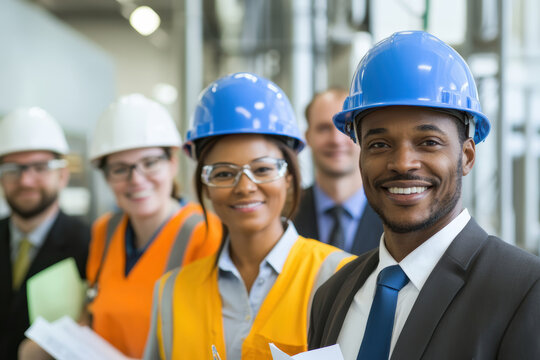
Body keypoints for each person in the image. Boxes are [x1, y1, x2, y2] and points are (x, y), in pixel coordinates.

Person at [308, 31, 540, 359]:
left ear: (467, 157)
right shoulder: (332, 295)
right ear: (360, 158)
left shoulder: (523, 290)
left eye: (428, 142)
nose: (403, 163)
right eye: (379, 144)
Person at [143, 73, 355, 360]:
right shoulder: (171, 292)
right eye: (224, 174)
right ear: (205, 186)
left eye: (263, 169)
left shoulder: (340, 276)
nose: (244, 187)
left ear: (289, 177)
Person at [83, 94, 222, 358]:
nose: (136, 180)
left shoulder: (205, 233)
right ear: (106, 177)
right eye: (120, 169)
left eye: (149, 163)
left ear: (172, 162)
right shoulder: (104, 230)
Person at [0, 107, 90, 359]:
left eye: (40, 167)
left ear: (62, 175)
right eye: (12, 170)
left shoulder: (88, 244)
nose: (26, 181)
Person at [293, 88, 382, 255]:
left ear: (362, 135)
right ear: (308, 136)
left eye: (346, 128)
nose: (336, 140)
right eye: (324, 128)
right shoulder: (287, 213)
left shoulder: (393, 209)